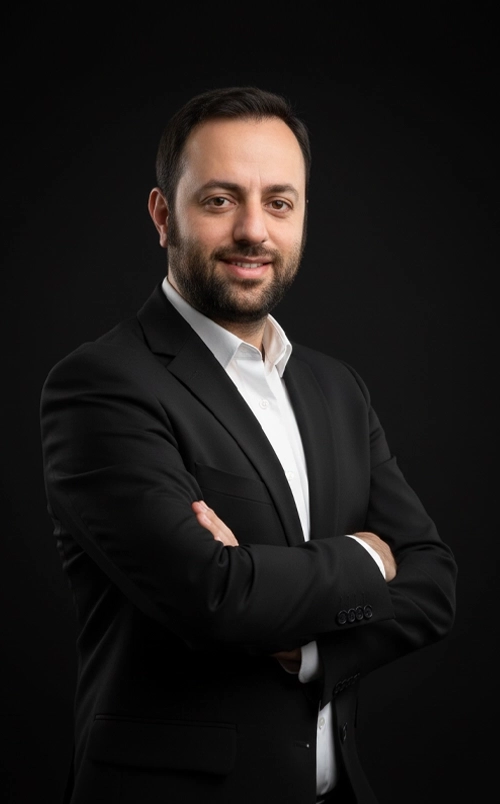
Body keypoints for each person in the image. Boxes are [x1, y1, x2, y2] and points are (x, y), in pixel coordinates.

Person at [40, 86, 457, 804]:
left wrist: (308, 648)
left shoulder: (337, 387)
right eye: (220, 200)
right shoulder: (102, 385)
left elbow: (433, 581)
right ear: (163, 215)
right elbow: (215, 597)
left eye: (279, 203)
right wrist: (367, 556)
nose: (254, 230)